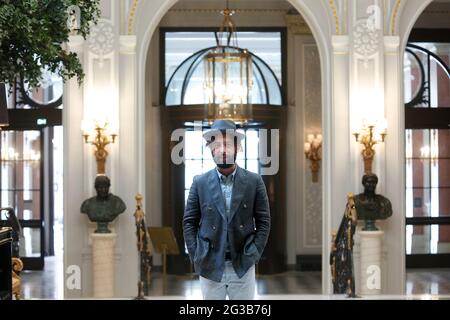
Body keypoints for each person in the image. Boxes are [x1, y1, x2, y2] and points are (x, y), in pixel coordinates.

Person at [183, 120, 271, 300]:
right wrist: (197, 254)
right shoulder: (199, 183)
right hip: (210, 265)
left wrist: (253, 253)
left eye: (228, 144)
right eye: (217, 144)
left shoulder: (254, 182)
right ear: (211, 149)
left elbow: (264, 222)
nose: (223, 149)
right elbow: (189, 223)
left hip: (243, 265)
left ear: (238, 147)